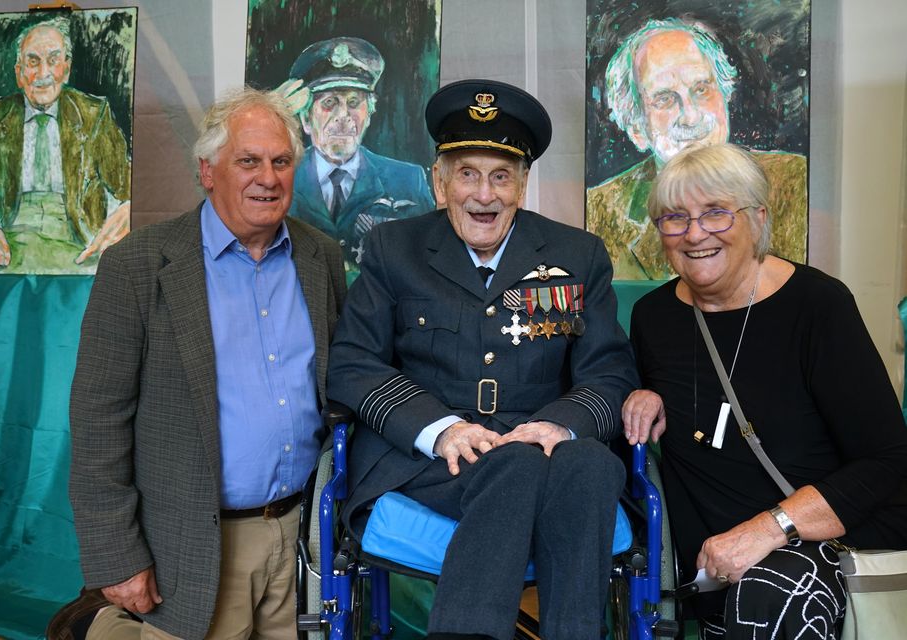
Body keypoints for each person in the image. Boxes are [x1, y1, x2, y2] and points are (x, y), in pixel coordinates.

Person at [327, 79, 638, 640]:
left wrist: (559, 426)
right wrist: (441, 429)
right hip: (425, 462)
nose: (484, 195)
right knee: (518, 467)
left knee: (590, 464)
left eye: (501, 176)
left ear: (522, 184)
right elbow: (353, 363)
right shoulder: (393, 250)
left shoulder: (577, 254)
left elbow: (609, 372)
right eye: (467, 173)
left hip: (537, 447)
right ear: (439, 182)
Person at [51, 87, 346, 640]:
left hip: (301, 535)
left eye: (281, 162)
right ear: (208, 171)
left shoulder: (320, 256)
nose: (268, 177)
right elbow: (97, 421)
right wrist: (116, 555)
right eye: (248, 161)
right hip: (191, 544)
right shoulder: (138, 266)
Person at [621, 143, 907, 638]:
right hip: (712, 573)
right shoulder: (653, 316)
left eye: (715, 213)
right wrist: (640, 392)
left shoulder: (817, 305)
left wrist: (768, 529)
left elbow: (888, 461)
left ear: (757, 218)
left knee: (767, 598)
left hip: (821, 542)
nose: (694, 234)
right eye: (675, 218)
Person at [586, 17, 808, 280]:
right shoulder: (601, 207)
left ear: (725, 95)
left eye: (702, 89)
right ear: (636, 128)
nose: (690, 116)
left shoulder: (796, 180)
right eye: (665, 99)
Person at [0, 17, 131, 274]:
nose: (43, 74)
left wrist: (128, 211)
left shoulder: (95, 115)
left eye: (53, 60)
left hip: (78, 244)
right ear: (19, 73)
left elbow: (129, 187)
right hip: (5, 245)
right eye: (32, 62)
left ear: (67, 68)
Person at [284, 36, 435, 284]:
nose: (343, 116)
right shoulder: (282, 179)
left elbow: (428, 264)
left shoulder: (407, 180)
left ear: (370, 112)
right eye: (329, 103)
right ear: (306, 119)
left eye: (354, 103)